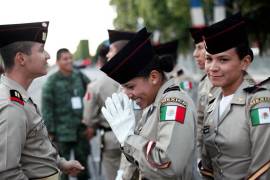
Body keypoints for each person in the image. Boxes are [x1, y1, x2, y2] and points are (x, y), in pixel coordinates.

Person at [101, 27, 200, 180]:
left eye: (130, 87)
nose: (127, 94)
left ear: (154, 77)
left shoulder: (173, 103)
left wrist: (129, 139)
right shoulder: (152, 105)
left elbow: (168, 165)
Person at [0, 21, 84, 179]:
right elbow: (7, 173)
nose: (48, 56)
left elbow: (33, 146)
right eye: (41, 50)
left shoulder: (18, 96)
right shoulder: (11, 106)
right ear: (21, 59)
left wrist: (60, 163)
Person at [200, 13, 270, 179]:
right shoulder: (211, 104)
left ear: (244, 62)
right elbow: (208, 166)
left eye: (223, 60)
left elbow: (263, 168)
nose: (212, 67)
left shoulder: (258, 103)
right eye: (209, 59)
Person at [82, 30, 136, 180]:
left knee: (116, 175)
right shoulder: (137, 77)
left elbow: (89, 118)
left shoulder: (95, 86)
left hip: (110, 137)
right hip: (137, 136)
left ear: (99, 63)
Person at [41, 48, 90, 180]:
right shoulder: (51, 82)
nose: (69, 61)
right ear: (57, 62)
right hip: (61, 134)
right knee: (63, 170)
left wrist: (91, 123)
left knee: (83, 168)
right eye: (65, 59)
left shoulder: (79, 76)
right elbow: (47, 109)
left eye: (70, 58)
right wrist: (50, 133)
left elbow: (92, 94)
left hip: (81, 131)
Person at [189, 26, 220, 160]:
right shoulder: (204, 82)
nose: (195, 54)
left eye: (200, 47)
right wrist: (198, 157)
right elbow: (200, 123)